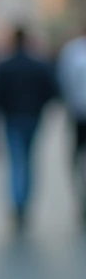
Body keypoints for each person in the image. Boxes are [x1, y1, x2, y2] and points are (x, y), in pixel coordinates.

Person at [0, 27, 59, 227]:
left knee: (17, 161)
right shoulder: (39, 65)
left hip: (12, 119)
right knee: (29, 160)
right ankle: (24, 202)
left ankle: (18, 203)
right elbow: (53, 91)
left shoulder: (4, 66)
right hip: (33, 118)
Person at [57, 25, 86, 214]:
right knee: (76, 157)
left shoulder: (72, 51)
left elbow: (64, 81)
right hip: (79, 113)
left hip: (78, 110)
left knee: (76, 158)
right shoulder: (72, 50)